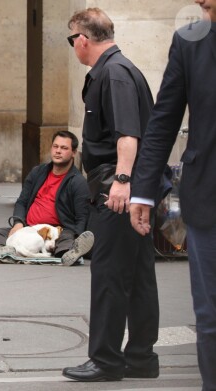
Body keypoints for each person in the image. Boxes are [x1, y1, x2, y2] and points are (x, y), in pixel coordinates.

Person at [62, 8, 159, 382]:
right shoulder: (120, 70)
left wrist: (121, 180)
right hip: (132, 187)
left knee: (109, 275)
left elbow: (127, 134)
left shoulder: (114, 74)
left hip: (117, 188)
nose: (74, 47)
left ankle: (105, 359)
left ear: (83, 40)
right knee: (137, 273)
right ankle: (140, 358)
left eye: (73, 40)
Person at [130, 2, 216, 389]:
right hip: (208, 199)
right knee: (211, 316)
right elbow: (163, 120)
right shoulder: (189, 42)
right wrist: (143, 192)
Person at [0, 131, 93, 265]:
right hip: (29, 229)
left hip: (57, 232)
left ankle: (67, 251)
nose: (58, 151)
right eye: (55, 146)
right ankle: (13, 250)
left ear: (74, 152)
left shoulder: (77, 182)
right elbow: (22, 202)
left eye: (64, 148)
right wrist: (18, 223)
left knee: (66, 240)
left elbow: (82, 216)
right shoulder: (38, 172)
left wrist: (76, 236)